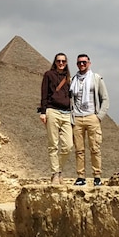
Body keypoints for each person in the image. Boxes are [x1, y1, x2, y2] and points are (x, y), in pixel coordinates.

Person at [70, 54, 109, 186]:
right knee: (79, 150)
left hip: (92, 117)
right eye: (79, 63)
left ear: (89, 63)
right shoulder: (73, 80)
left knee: (95, 148)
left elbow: (105, 99)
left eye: (84, 62)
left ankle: (97, 176)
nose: (82, 64)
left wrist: (99, 117)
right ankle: (81, 177)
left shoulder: (96, 78)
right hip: (77, 118)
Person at [39, 52, 73, 185]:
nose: (61, 63)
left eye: (63, 61)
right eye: (59, 61)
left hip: (66, 113)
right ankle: (55, 174)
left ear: (66, 63)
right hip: (52, 111)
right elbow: (44, 94)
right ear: (55, 62)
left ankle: (58, 170)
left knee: (68, 146)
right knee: (53, 145)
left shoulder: (69, 78)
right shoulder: (48, 75)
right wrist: (43, 112)